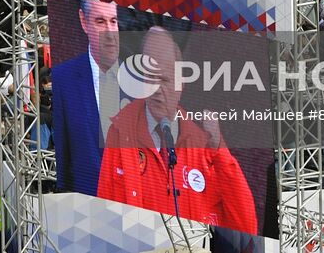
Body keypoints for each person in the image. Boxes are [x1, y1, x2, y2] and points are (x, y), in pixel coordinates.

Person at [96, 27, 258, 233]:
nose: (155, 89)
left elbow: (246, 225)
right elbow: (104, 216)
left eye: (163, 80)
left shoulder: (203, 145)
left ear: (181, 84)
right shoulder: (120, 132)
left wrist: (220, 151)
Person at [52, 0, 122, 196]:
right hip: (86, 205)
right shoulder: (62, 79)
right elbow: (64, 159)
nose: (109, 32)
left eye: (114, 21)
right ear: (84, 22)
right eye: (100, 22)